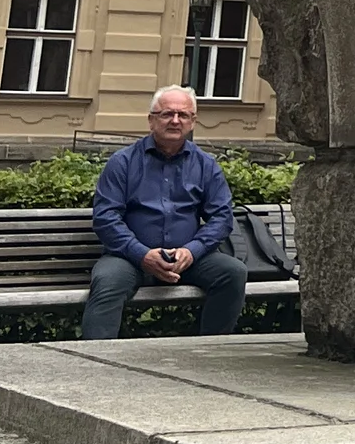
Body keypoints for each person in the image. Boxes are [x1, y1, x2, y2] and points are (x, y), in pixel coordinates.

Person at [83, 87, 246, 339]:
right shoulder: (123, 162)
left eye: (183, 115)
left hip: (188, 260)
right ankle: (94, 362)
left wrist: (192, 251)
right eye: (167, 113)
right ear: (151, 120)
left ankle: (210, 353)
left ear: (193, 122)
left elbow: (222, 217)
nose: (175, 120)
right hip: (129, 259)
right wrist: (142, 254)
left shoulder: (206, 165)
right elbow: (106, 218)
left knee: (232, 273)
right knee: (107, 282)